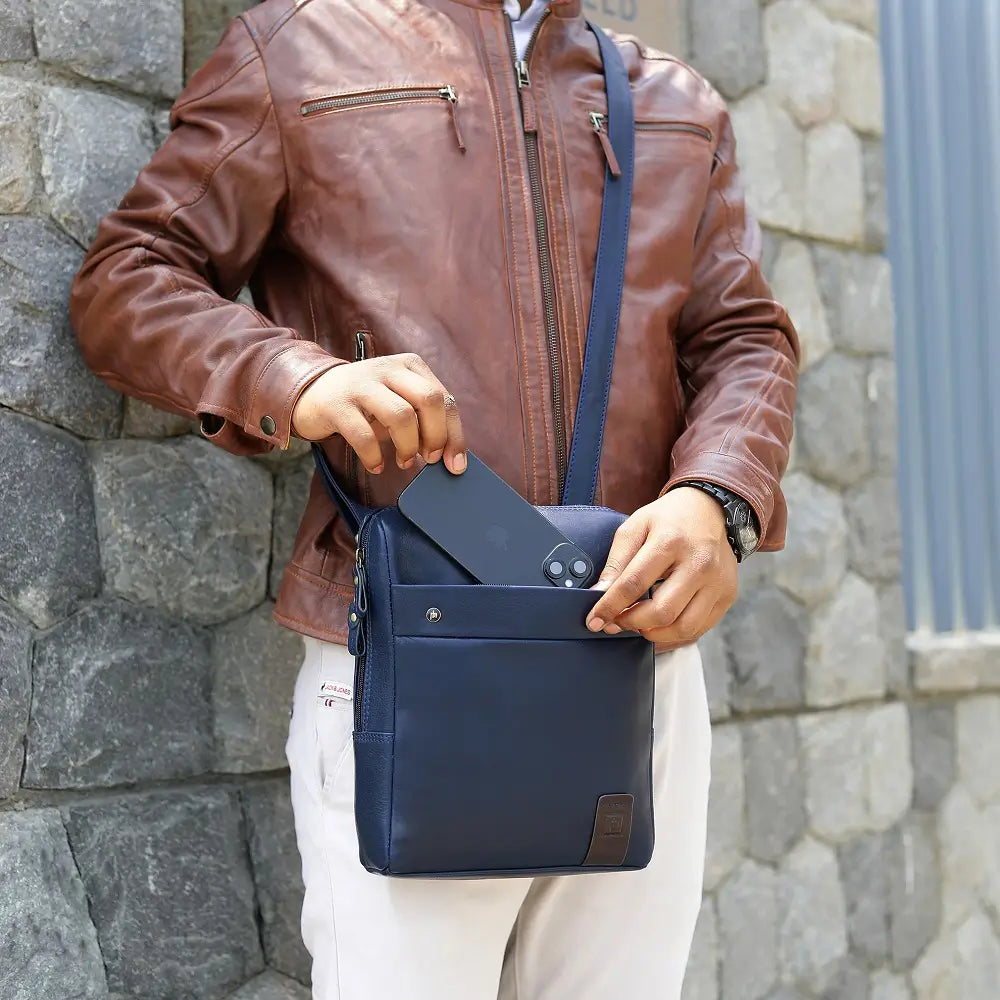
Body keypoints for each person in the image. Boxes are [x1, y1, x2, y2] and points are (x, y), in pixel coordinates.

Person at [70, 0, 800, 994]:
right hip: (408, 650)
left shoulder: (671, 100)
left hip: (635, 660)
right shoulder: (298, 47)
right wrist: (295, 378)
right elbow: (129, 280)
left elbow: (744, 337)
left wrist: (720, 498)